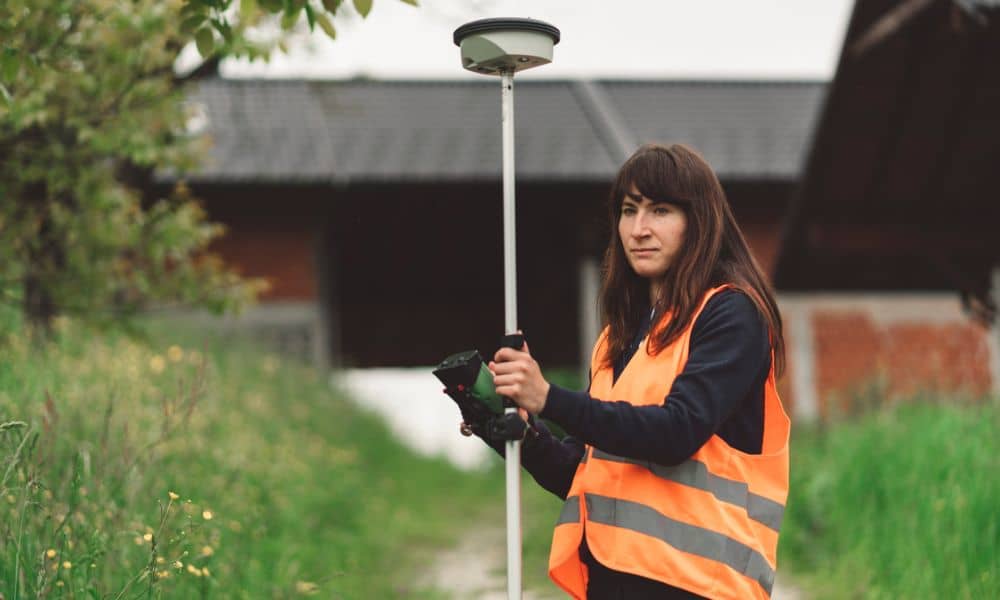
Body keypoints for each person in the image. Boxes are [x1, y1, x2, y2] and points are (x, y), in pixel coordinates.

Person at [448, 143, 790, 600]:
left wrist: (549, 398)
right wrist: (520, 434)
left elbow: (676, 432)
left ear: (699, 221)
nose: (639, 229)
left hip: (699, 587)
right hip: (615, 580)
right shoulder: (617, 340)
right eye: (629, 211)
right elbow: (583, 475)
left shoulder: (731, 314)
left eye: (660, 211)